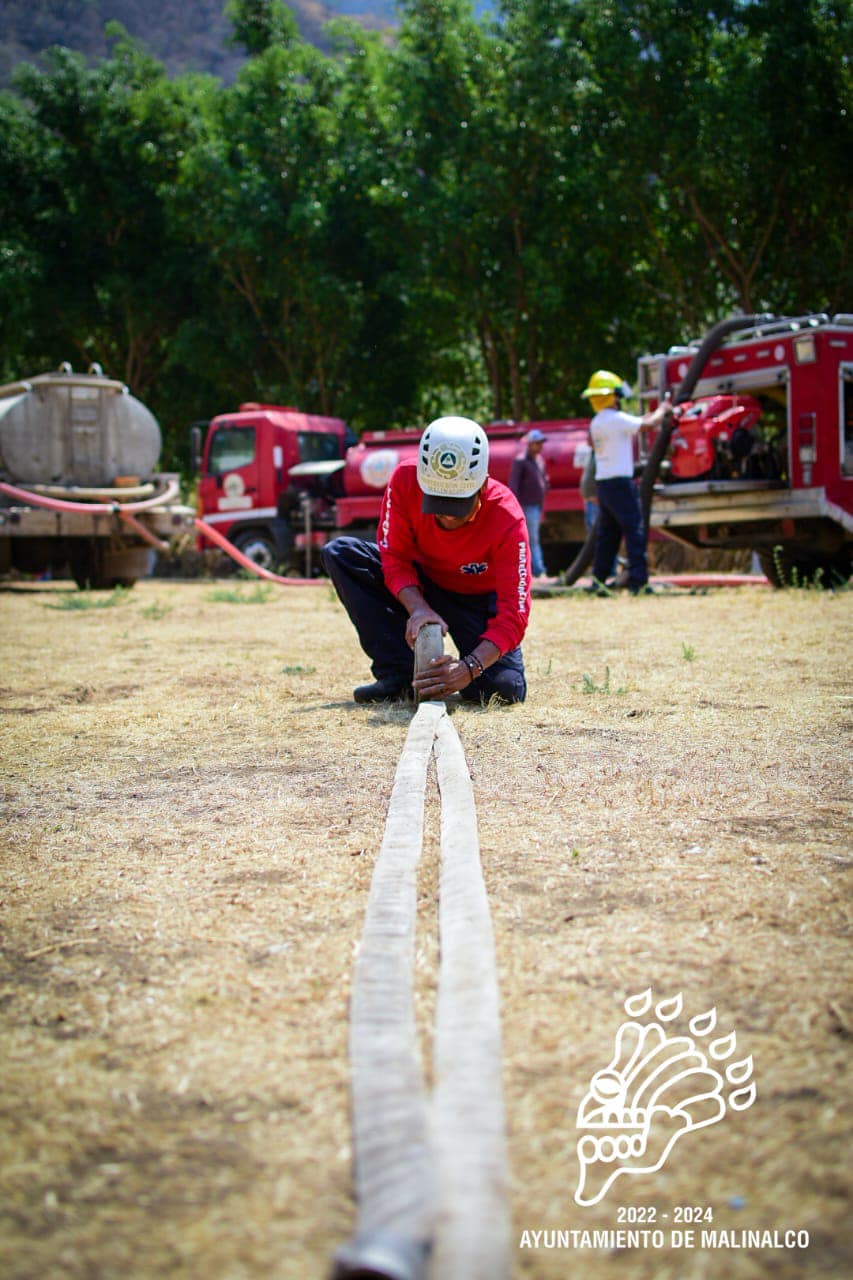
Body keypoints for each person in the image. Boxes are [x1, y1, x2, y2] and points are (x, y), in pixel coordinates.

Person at [321, 416, 530, 705]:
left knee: (503, 689)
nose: (446, 516)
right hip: (423, 583)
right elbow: (394, 557)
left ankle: (464, 678)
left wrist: (469, 668)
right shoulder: (405, 480)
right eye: (438, 503)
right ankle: (400, 675)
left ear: (482, 485)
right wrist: (417, 609)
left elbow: (514, 616)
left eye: (458, 506)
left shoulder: (506, 516)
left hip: (476, 598)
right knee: (342, 554)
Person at [580, 370, 672, 594]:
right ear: (613, 396)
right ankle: (638, 582)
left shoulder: (596, 422)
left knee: (608, 535)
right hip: (620, 483)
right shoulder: (615, 419)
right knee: (634, 531)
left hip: (604, 485)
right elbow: (648, 424)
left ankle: (599, 581)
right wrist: (664, 409)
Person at [508, 428, 551, 580]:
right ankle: (537, 570)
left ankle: (535, 569)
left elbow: (544, 478)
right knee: (530, 539)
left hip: (537, 505)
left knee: (533, 538)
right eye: (537, 443)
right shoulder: (520, 461)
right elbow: (514, 485)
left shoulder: (539, 461)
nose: (540, 446)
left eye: (541, 443)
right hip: (525, 506)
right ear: (530, 444)